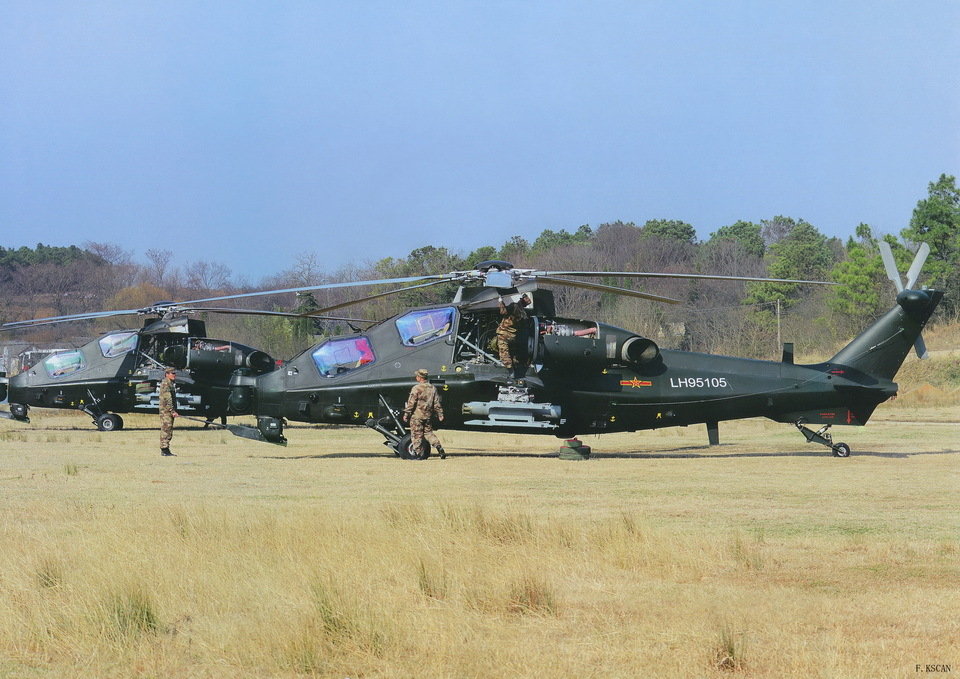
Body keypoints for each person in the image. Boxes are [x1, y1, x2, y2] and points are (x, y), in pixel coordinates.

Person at [402, 368, 446, 459]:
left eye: (417, 376)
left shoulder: (416, 388)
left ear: (420, 377)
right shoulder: (432, 388)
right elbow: (436, 403)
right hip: (428, 416)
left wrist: (406, 414)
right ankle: (438, 447)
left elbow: (411, 403)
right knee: (429, 433)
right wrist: (440, 414)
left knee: (417, 435)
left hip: (417, 416)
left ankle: (418, 454)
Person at [496, 293, 531, 379]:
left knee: (504, 353)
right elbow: (527, 302)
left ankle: (510, 371)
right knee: (512, 353)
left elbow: (503, 311)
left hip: (503, 334)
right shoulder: (522, 314)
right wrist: (525, 296)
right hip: (512, 337)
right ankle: (516, 368)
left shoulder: (513, 308)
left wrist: (500, 301)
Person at [159, 367, 178, 456]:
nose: (174, 375)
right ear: (167, 374)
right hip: (166, 411)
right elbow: (168, 399)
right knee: (166, 429)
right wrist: (172, 410)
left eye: (174, 373)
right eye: (172, 373)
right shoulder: (166, 384)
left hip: (168, 411)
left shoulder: (170, 383)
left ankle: (166, 449)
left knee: (168, 429)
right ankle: (164, 449)